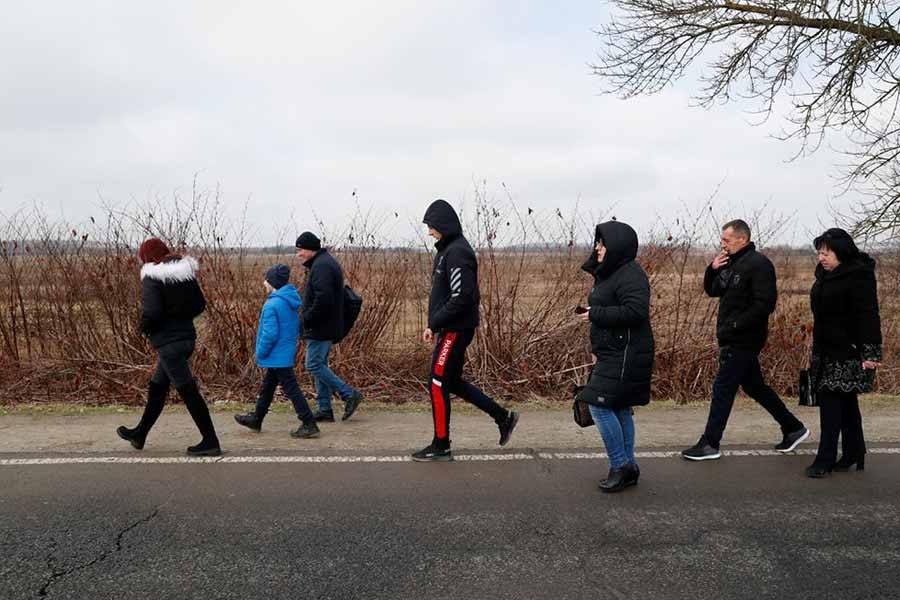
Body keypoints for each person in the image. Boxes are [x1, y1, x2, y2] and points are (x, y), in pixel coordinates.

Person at [682, 219, 808, 461]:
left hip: (745, 338)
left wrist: (736, 324)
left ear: (743, 238)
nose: (723, 244)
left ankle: (710, 443)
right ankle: (793, 428)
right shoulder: (732, 263)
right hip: (732, 337)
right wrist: (712, 268)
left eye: (726, 240)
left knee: (723, 388)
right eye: (722, 240)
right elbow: (713, 290)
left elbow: (766, 304)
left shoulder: (759, 264)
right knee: (755, 386)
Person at [412, 199, 519, 462]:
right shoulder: (447, 250)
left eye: (432, 226)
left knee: (436, 383)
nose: (429, 232)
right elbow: (445, 294)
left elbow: (462, 297)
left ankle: (441, 445)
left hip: (456, 329)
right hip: (449, 328)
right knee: (451, 382)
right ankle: (503, 417)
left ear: (444, 225)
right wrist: (433, 324)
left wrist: (435, 323)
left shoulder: (458, 252)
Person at [117, 237, 221, 456]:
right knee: (158, 386)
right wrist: (178, 318)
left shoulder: (152, 276)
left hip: (168, 343)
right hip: (186, 339)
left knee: (188, 391)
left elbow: (152, 312)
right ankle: (140, 434)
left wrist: (145, 328)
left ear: (147, 257)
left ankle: (211, 441)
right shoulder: (184, 273)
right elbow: (199, 305)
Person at [577, 221, 654, 492]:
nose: (597, 248)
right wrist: (597, 349)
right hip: (613, 352)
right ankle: (629, 467)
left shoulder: (630, 274)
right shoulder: (610, 273)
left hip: (627, 353)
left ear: (617, 245)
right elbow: (612, 308)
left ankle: (621, 465)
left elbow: (636, 312)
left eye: (602, 243)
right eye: (597, 242)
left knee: (598, 405)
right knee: (619, 406)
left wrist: (595, 314)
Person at [805, 228, 882, 478]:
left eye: (827, 253)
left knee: (830, 403)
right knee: (847, 403)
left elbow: (869, 315)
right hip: (824, 349)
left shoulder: (859, 276)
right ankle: (854, 452)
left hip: (848, 352)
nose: (822, 257)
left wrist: (870, 353)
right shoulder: (824, 276)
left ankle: (824, 459)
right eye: (820, 252)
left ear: (841, 252)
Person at [234, 264, 320, 438]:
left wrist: (261, 352)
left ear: (273, 283)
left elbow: (270, 334)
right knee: (268, 386)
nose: (264, 283)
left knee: (292, 389)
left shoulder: (272, 305)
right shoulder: (290, 301)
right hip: (284, 351)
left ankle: (309, 422)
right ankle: (257, 418)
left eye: (266, 280)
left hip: (275, 353)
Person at [295, 232, 363, 422]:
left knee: (313, 364)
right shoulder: (322, 263)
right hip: (324, 325)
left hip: (321, 326)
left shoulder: (322, 266)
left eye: (300, 250)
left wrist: (306, 319)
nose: (299, 254)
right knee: (320, 365)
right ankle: (324, 409)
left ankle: (349, 394)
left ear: (310, 249)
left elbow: (323, 299)